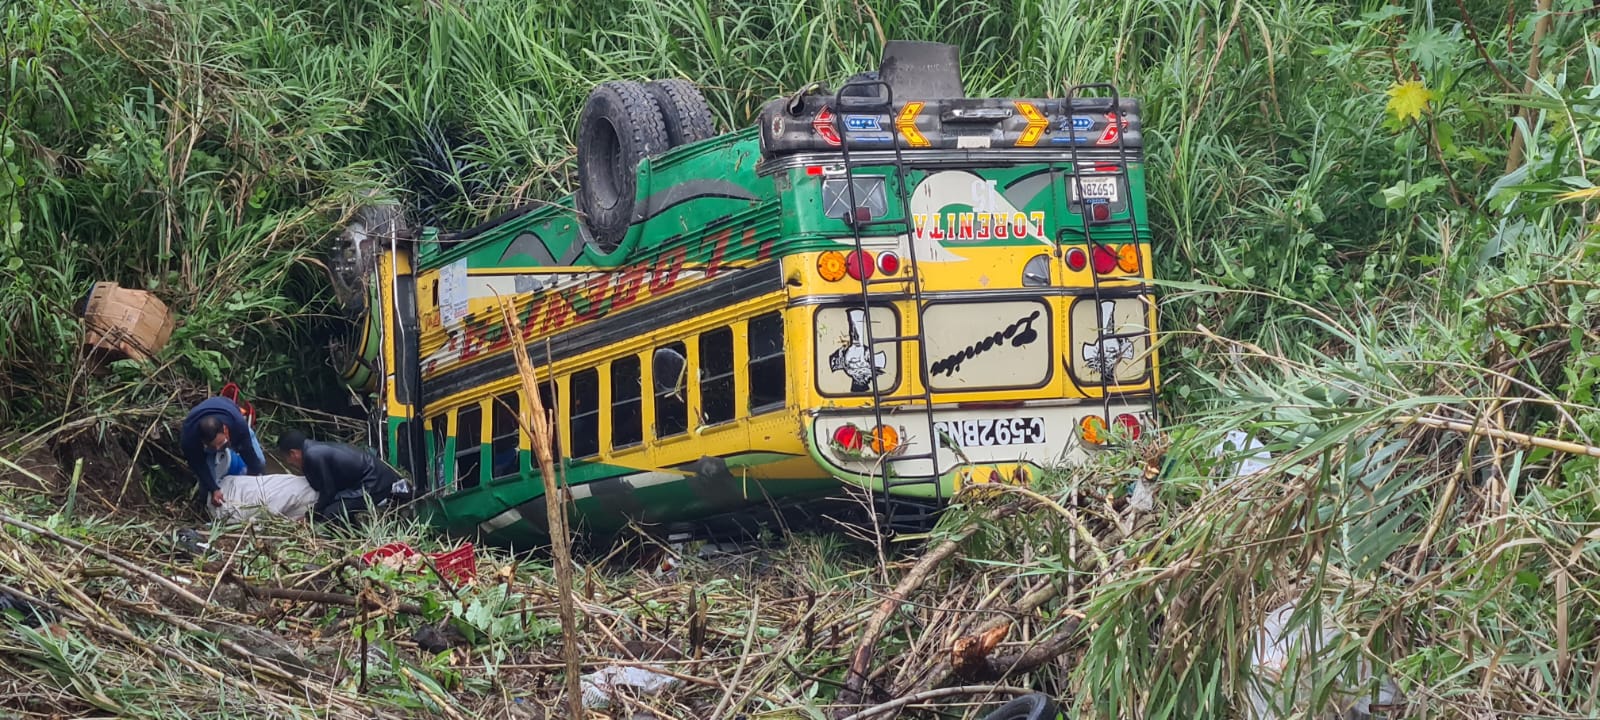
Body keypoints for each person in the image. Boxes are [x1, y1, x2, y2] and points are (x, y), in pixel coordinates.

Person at [277, 430, 401, 524]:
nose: (290, 463)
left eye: (287, 459)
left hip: (374, 483)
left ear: (293, 453)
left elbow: (328, 492)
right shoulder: (313, 449)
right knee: (337, 507)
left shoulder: (312, 456)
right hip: (373, 478)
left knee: (331, 513)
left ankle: (350, 541)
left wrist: (310, 516)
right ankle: (357, 533)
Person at [180, 397, 267, 508]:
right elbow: (199, 466)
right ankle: (202, 505)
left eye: (220, 443)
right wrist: (214, 489)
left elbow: (249, 454)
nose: (218, 449)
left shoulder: (238, 426)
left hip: (229, 410)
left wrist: (254, 478)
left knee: (260, 463)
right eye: (213, 446)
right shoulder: (189, 439)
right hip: (202, 433)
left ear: (225, 430)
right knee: (207, 489)